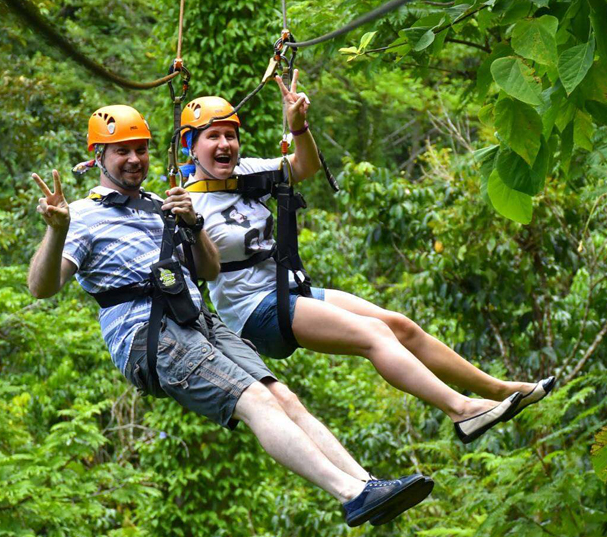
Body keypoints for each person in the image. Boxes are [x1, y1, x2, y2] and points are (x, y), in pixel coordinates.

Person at [27, 104, 433, 527]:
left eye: (140, 150)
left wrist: (193, 222)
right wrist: (56, 230)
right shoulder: (83, 217)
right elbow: (42, 287)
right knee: (255, 400)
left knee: (282, 398)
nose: (134, 160)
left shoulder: (159, 204)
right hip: (150, 336)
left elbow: (209, 270)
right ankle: (350, 494)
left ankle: (365, 484)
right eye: (121, 152)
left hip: (197, 321)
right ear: (98, 156)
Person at [181, 76, 556, 445]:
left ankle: (499, 388)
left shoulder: (247, 172)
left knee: (399, 326)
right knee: (373, 335)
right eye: (213, 137)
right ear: (191, 147)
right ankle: (462, 409)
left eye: (230, 135)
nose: (225, 144)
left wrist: (299, 128)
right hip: (254, 311)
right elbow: (201, 271)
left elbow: (304, 166)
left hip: (289, 290)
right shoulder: (189, 204)